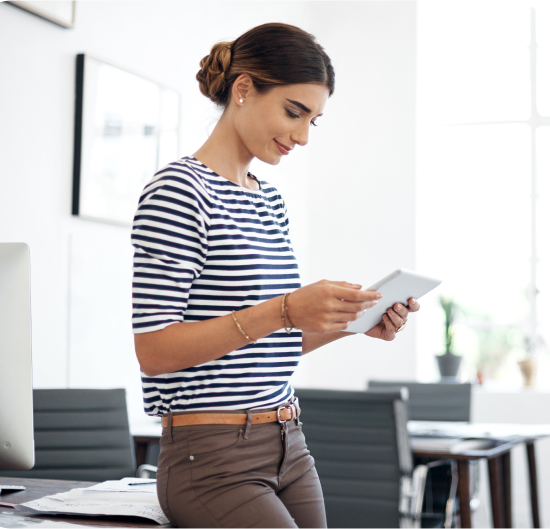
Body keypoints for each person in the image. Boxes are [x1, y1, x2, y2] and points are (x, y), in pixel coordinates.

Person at [131, 22, 420, 529]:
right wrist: (285, 309)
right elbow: (155, 350)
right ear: (243, 89)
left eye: (314, 120)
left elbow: (263, 344)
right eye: (294, 112)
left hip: (288, 442)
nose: (303, 136)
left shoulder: (268, 202)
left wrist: (349, 324)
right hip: (211, 458)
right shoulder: (179, 191)